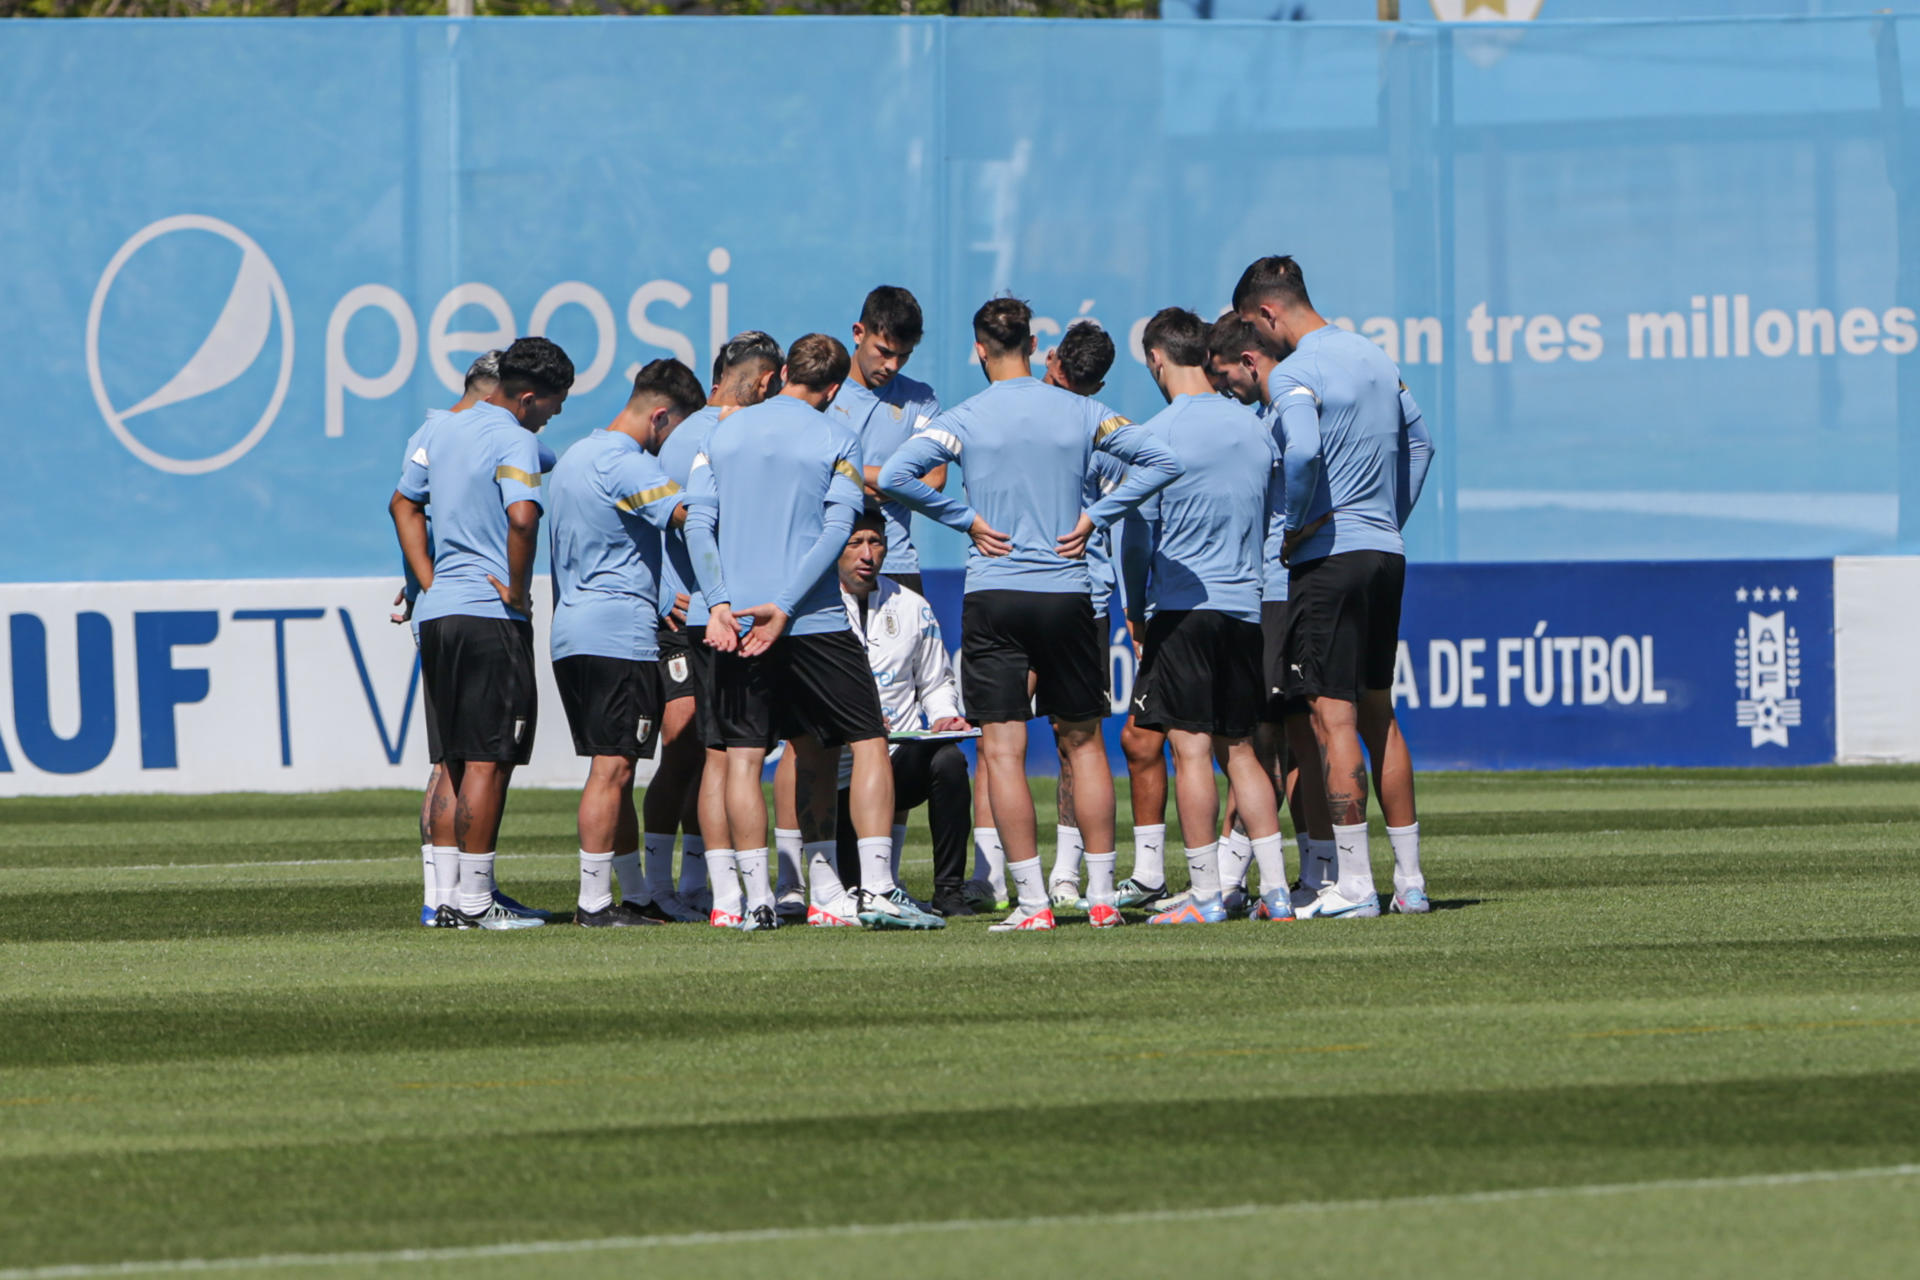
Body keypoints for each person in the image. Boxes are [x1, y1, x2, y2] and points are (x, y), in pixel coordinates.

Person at [880, 296, 1182, 932]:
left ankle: (1034, 903)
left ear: (980, 348)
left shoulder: (964, 417)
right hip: (1068, 592)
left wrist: (965, 520)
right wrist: (1098, 515)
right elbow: (1161, 460)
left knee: (1003, 749)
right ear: (1033, 342)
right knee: (1083, 744)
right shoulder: (1082, 410)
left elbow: (900, 475)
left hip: (996, 593)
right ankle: (1100, 897)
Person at [685, 333, 941, 932]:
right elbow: (837, 530)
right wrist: (790, 605)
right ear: (832, 389)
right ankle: (877, 887)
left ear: (777, 377)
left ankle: (759, 901)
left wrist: (720, 603)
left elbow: (698, 523)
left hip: (741, 618)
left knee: (745, 760)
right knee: (866, 740)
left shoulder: (718, 433)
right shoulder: (836, 435)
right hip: (816, 619)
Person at [1234, 256, 1435, 918]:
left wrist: (1297, 525)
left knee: (1331, 716)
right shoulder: (1376, 356)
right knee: (1379, 711)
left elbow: (1301, 452)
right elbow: (1422, 445)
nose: (1253, 342)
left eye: (1249, 326)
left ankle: (1354, 886)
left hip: (1330, 558)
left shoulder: (1295, 372)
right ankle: (1409, 881)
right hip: (1386, 552)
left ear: (1268, 312)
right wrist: (1385, 519)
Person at [389, 336, 574, 930]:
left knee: (449, 761)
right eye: (553, 402)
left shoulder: (441, 430)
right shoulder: (513, 438)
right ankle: (476, 903)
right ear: (526, 396)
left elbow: (402, 504)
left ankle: (446, 900)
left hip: (440, 610)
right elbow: (523, 516)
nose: (556, 413)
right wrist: (519, 590)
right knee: (489, 761)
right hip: (490, 614)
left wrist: (426, 579)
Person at [1119, 308, 1290, 924]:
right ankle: (1275, 891)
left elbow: (1135, 542)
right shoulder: (1254, 430)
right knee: (1241, 751)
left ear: (1157, 360)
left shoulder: (1154, 434)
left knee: (1190, 752)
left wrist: (1135, 611)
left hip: (1184, 610)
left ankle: (1206, 897)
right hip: (1246, 608)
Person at [547, 358, 706, 926]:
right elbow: (690, 515)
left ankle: (636, 893)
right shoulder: (626, 462)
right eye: (677, 431)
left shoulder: (574, 458)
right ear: (660, 416)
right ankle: (594, 903)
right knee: (612, 770)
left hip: (573, 631)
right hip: (618, 635)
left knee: (613, 768)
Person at [645, 332, 785, 922]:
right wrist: (659, 594)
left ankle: (703, 882)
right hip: (696, 616)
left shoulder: (726, 436)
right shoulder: (688, 439)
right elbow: (646, 520)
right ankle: (657, 884)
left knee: (714, 754)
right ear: (764, 382)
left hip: (724, 613)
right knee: (691, 749)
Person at [1206, 315, 1336, 911]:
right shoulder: (1266, 414)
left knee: (1269, 740)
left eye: (1224, 373)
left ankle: (1303, 875)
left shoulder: (1281, 411)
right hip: (1266, 590)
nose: (1222, 385)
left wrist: (1290, 532)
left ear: (1248, 359)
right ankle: (1293, 875)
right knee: (1272, 738)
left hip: (1276, 591)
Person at [831, 509, 977, 917]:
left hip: (898, 758)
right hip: (835, 769)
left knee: (949, 760)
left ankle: (949, 890)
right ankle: (797, 889)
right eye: (855, 543)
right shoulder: (816, 609)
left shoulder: (912, 605)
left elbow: (934, 682)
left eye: (875, 542)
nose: (867, 554)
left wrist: (945, 715)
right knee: (852, 889)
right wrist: (851, 722)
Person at [829, 286, 945, 594]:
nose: (892, 366)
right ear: (858, 333)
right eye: (884, 351)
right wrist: (897, 481)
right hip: (825, 566)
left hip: (897, 567)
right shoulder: (821, 390)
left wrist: (843, 472)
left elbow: (934, 480)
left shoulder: (921, 399)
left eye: (903, 356)